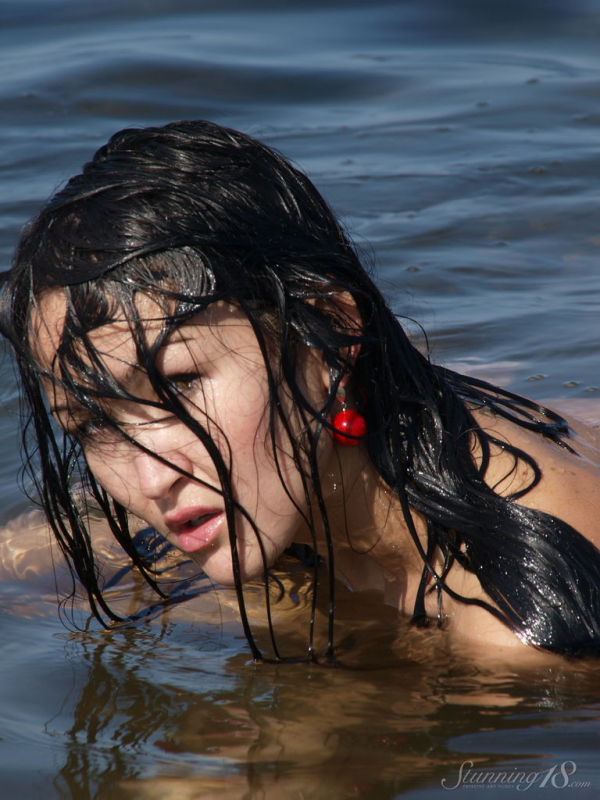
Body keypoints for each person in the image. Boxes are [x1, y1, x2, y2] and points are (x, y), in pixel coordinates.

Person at [1, 120, 599, 663]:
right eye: (91, 425)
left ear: (332, 333)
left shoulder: (526, 627)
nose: (151, 481)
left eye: (180, 386)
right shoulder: (266, 476)